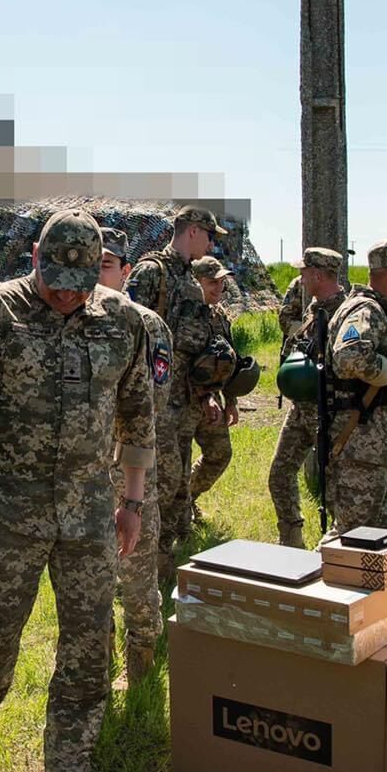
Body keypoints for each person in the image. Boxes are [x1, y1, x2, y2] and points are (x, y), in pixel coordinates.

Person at [0, 209, 155, 772]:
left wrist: (131, 502)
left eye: (79, 283)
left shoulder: (123, 322)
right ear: (33, 255)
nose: (65, 293)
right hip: (7, 510)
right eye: (54, 277)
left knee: (88, 644)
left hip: (88, 512)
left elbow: (139, 417)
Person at [127, 204, 223, 579]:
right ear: (194, 231)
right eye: (210, 236)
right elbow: (131, 330)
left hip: (182, 402)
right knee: (159, 485)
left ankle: (163, 561)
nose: (212, 245)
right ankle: (143, 566)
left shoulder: (187, 277)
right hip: (154, 402)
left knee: (177, 484)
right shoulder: (153, 272)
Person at [96, 227, 173, 688]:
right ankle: (98, 668)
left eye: (106, 264)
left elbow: (154, 403)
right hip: (81, 478)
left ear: (126, 272)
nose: (96, 272)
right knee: (91, 579)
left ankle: (142, 666)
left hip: (131, 471)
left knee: (139, 575)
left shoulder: (148, 325)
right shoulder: (67, 320)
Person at [322, 238, 387, 537]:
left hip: (378, 448)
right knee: (350, 537)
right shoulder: (365, 311)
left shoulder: (381, 311)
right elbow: (348, 357)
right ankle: (307, 582)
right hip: (360, 447)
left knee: (384, 538)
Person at [266, 247, 347, 547]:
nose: (299, 277)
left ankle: (340, 552)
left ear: (317, 274)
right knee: (280, 474)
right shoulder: (314, 310)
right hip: (301, 410)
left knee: (336, 489)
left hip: (329, 413)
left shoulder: (345, 312)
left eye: (304, 271)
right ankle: (291, 543)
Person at [187, 255, 241, 515]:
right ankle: (177, 511)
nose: (219, 288)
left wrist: (230, 401)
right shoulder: (184, 315)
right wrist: (204, 396)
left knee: (220, 454)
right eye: (212, 282)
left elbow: (231, 360)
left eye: (222, 282)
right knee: (174, 462)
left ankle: (188, 497)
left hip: (212, 401)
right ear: (195, 282)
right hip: (184, 400)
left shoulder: (221, 317)